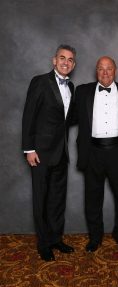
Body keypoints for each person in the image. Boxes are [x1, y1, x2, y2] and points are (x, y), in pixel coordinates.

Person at [75, 56, 118, 252]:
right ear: (96, 71)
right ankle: (95, 237)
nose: (105, 73)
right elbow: (66, 117)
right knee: (93, 197)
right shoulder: (83, 91)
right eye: (101, 69)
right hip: (92, 151)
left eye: (109, 68)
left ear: (115, 71)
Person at [22, 44, 76, 261]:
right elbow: (28, 116)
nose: (66, 62)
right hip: (41, 153)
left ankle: (55, 239)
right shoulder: (40, 82)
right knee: (41, 199)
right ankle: (43, 244)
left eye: (70, 59)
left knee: (57, 199)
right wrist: (29, 149)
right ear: (54, 60)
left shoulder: (71, 87)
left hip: (61, 153)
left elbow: (67, 120)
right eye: (62, 58)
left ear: (74, 64)